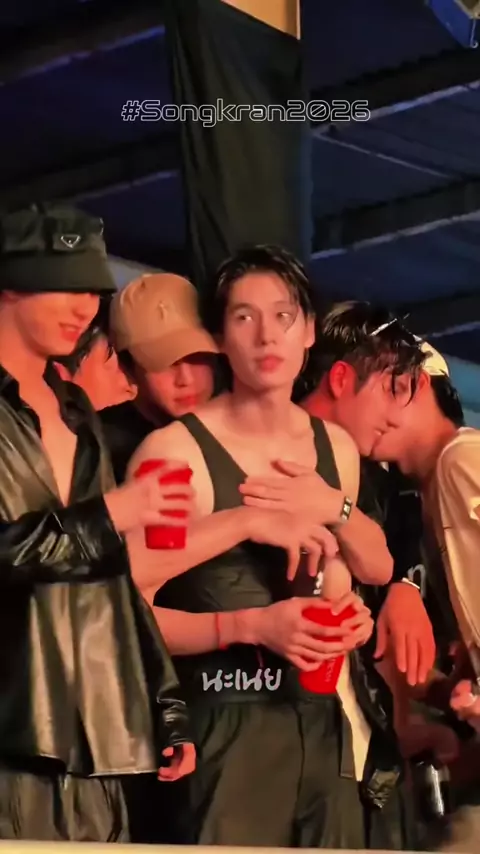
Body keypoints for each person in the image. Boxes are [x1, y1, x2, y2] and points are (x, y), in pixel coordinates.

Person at [126, 245, 395, 848]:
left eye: (283, 316)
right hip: (226, 725)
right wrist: (246, 625)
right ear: (221, 337)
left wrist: (347, 610)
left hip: (322, 724)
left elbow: (360, 569)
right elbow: (123, 615)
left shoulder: (336, 448)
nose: (266, 335)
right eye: (244, 317)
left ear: (308, 331)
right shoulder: (175, 455)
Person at [0, 203, 195, 842]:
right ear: (11, 283)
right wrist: (110, 515)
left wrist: (164, 703)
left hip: (99, 733)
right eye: (65, 285)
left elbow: (115, 575)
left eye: (93, 290)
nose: (84, 306)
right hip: (13, 722)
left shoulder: (78, 413)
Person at [296, 302, 437, 689]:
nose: (396, 417)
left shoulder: (370, 475)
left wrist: (405, 584)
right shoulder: (262, 445)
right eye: (392, 390)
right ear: (341, 379)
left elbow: (386, 559)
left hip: (345, 701)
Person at [99, 272, 219, 482]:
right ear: (128, 368)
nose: (186, 379)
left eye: (198, 356)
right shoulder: (99, 450)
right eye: (165, 363)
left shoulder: (242, 428)